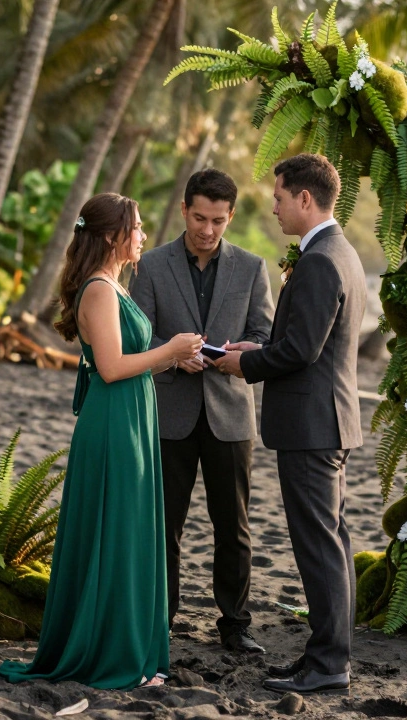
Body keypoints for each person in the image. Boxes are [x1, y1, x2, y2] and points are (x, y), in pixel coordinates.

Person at [0, 193, 204, 690]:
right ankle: (112, 654)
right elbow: (111, 368)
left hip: (130, 416)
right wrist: (170, 350)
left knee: (128, 530)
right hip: (113, 421)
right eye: (137, 227)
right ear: (113, 236)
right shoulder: (99, 290)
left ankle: (128, 647)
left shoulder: (113, 285)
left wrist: (174, 356)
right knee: (118, 531)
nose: (144, 236)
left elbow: (121, 359)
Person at [214, 154, 367, 693]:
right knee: (332, 541)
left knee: (319, 546)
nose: (274, 207)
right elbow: (307, 340)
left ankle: (328, 664)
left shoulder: (321, 260)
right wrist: (256, 347)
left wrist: (246, 364)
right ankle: (328, 656)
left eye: (279, 197)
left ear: (305, 198)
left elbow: (303, 350)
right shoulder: (340, 252)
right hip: (327, 420)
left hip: (312, 424)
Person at [129, 168, 274, 654]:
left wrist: (240, 354)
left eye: (217, 220)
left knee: (233, 527)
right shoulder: (151, 265)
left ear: (230, 216)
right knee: (164, 525)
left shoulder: (252, 267)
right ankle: (160, 620)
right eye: (198, 218)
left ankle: (235, 625)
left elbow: (265, 335)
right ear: (184, 210)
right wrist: (172, 355)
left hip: (230, 415)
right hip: (168, 412)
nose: (207, 230)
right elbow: (139, 336)